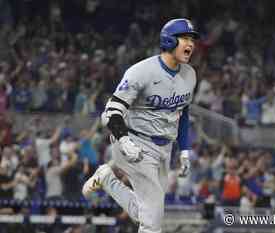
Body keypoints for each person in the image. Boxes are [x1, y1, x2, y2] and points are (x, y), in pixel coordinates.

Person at [82, 18, 199, 233]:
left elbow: (183, 113)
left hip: (165, 148)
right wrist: (124, 140)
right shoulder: (141, 72)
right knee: (152, 223)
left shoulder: (190, 74)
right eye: (184, 38)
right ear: (169, 40)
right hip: (135, 143)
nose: (190, 44)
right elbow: (111, 111)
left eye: (192, 39)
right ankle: (109, 176)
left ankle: (108, 179)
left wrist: (184, 150)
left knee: (150, 213)